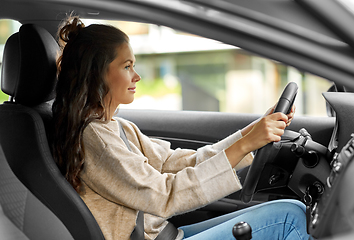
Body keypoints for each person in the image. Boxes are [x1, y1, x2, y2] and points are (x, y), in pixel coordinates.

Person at [52, 16, 311, 240]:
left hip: (167, 233)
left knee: (291, 208)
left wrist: (251, 132)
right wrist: (246, 144)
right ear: (97, 74)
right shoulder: (96, 139)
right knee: (289, 218)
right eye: (127, 66)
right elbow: (165, 194)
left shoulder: (117, 127)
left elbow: (174, 162)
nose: (137, 76)